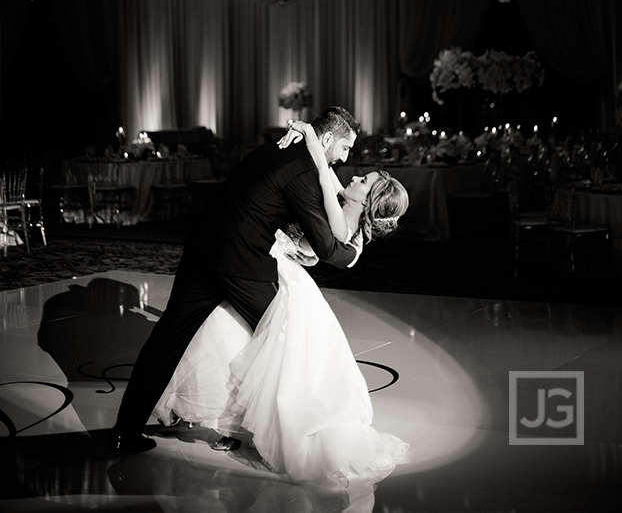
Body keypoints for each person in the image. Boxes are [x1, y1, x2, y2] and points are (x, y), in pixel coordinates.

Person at [152, 119, 410, 487]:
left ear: (367, 200)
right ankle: (223, 420)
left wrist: (308, 134)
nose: (353, 177)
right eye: (355, 168)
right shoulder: (344, 201)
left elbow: (324, 179)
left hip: (276, 272)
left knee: (270, 353)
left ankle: (260, 426)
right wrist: (308, 135)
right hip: (270, 264)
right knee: (241, 341)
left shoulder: (343, 227)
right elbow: (327, 181)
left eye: (362, 181)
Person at [110, 106, 363, 454]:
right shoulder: (303, 170)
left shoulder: (281, 146)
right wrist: (354, 252)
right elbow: (327, 248)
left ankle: (124, 431)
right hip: (241, 264)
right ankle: (292, 440)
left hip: (203, 248)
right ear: (327, 139)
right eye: (344, 148)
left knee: (166, 340)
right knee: (288, 340)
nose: (344, 157)